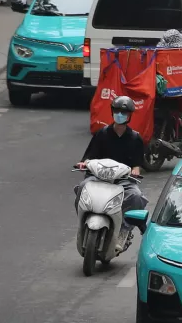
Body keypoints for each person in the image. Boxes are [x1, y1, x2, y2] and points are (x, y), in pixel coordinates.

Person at [75, 96, 148, 252]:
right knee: (81, 187)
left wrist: (135, 170)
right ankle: (82, 223)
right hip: (99, 177)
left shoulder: (135, 138)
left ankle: (124, 230)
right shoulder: (102, 133)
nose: (120, 115)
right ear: (112, 112)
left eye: (124, 112)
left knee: (136, 196)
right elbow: (89, 156)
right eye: (117, 111)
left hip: (123, 179)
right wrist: (84, 163)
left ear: (129, 116)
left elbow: (137, 164)